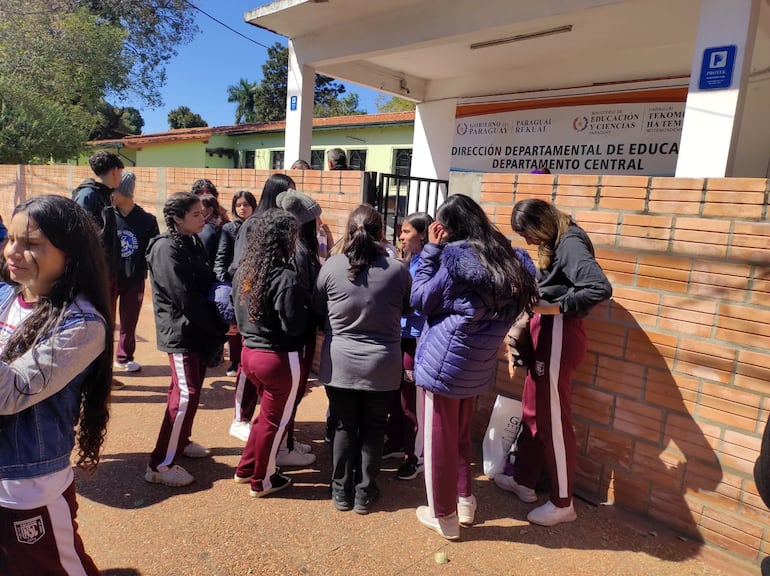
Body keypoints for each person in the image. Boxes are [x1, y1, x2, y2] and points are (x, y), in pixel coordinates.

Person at [411, 193, 538, 540]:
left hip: (443, 365)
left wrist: (431, 252)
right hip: (476, 366)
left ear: (447, 228)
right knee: (461, 437)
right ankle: (464, 501)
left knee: (439, 442)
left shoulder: (455, 263)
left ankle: (444, 517)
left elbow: (420, 300)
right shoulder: (510, 262)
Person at [0, 195, 112, 575]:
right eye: (11, 239)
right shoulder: (9, 297)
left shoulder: (81, 324)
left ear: (69, 255)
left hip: (27, 485)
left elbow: (10, 392)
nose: (12, 251)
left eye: (31, 244)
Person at [502, 198, 612, 526]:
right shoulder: (559, 240)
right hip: (548, 335)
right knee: (534, 412)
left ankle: (563, 502)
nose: (528, 242)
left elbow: (599, 288)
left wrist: (554, 308)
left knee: (554, 422)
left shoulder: (571, 242)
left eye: (528, 233)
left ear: (541, 223)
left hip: (559, 335)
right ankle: (524, 479)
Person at [313, 204, 412, 515]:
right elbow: (406, 308)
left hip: (340, 362)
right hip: (382, 365)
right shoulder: (397, 270)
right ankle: (364, 493)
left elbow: (318, 308)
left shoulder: (330, 267)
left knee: (343, 425)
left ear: (347, 232)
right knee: (373, 428)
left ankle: (340, 490)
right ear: (382, 233)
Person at [144, 192, 227, 487]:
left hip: (198, 331)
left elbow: (205, 284)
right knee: (186, 394)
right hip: (181, 332)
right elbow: (183, 297)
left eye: (201, 213)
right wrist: (218, 325)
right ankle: (160, 464)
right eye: (194, 214)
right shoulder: (165, 248)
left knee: (186, 392)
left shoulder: (192, 241)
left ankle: (181, 441)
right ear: (177, 218)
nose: (202, 218)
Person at [232, 209, 309, 497]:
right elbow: (293, 326)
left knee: (265, 415)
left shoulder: (245, 271)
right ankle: (262, 481)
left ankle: (246, 467)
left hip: (250, 354)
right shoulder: (285, 277)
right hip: (278, 358)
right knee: (276, 422)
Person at [274, 189, 323, 467]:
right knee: (293, 390)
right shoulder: (301, 252)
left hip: (297, 330)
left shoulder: (295, 248)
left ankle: (287, 439)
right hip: (299, 332)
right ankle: (282, 446)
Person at [393, 212, 434, 481]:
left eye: (406, 231)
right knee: (398, 398)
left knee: (413, 402)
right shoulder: (408, 261)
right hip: (400, 335)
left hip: (416, 339)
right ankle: (399, 444)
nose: (401, 236)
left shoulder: (429, 264)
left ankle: (416, 457)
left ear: (422, 234)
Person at [112, 172, 160, 374]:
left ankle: (124, 357)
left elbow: (154, 251)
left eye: (113, 190)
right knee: (103, 320)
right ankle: (100, 361)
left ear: (124, 192)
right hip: (109, 277)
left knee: (129, 322)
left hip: (134, 279)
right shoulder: (106, 215)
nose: (110, 195)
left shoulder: (146, 220)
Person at [214, 190, 258, 378]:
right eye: (238, 205)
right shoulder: (228, 229)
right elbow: (221, 256)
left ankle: (247, 360)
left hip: (252, 280)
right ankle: (234, 361)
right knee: (233, 321)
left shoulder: (258, 227)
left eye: (246, 205)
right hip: (234, 281)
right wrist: (222, 277)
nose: (242, 208)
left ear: (253, 207)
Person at [72, 150, 123, 298]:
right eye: (120, 173)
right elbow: (79, 234)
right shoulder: (88, 195)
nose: (120, 178)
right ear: (114, 171)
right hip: (94, 273)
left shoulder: (104, 194)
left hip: (106, 270)